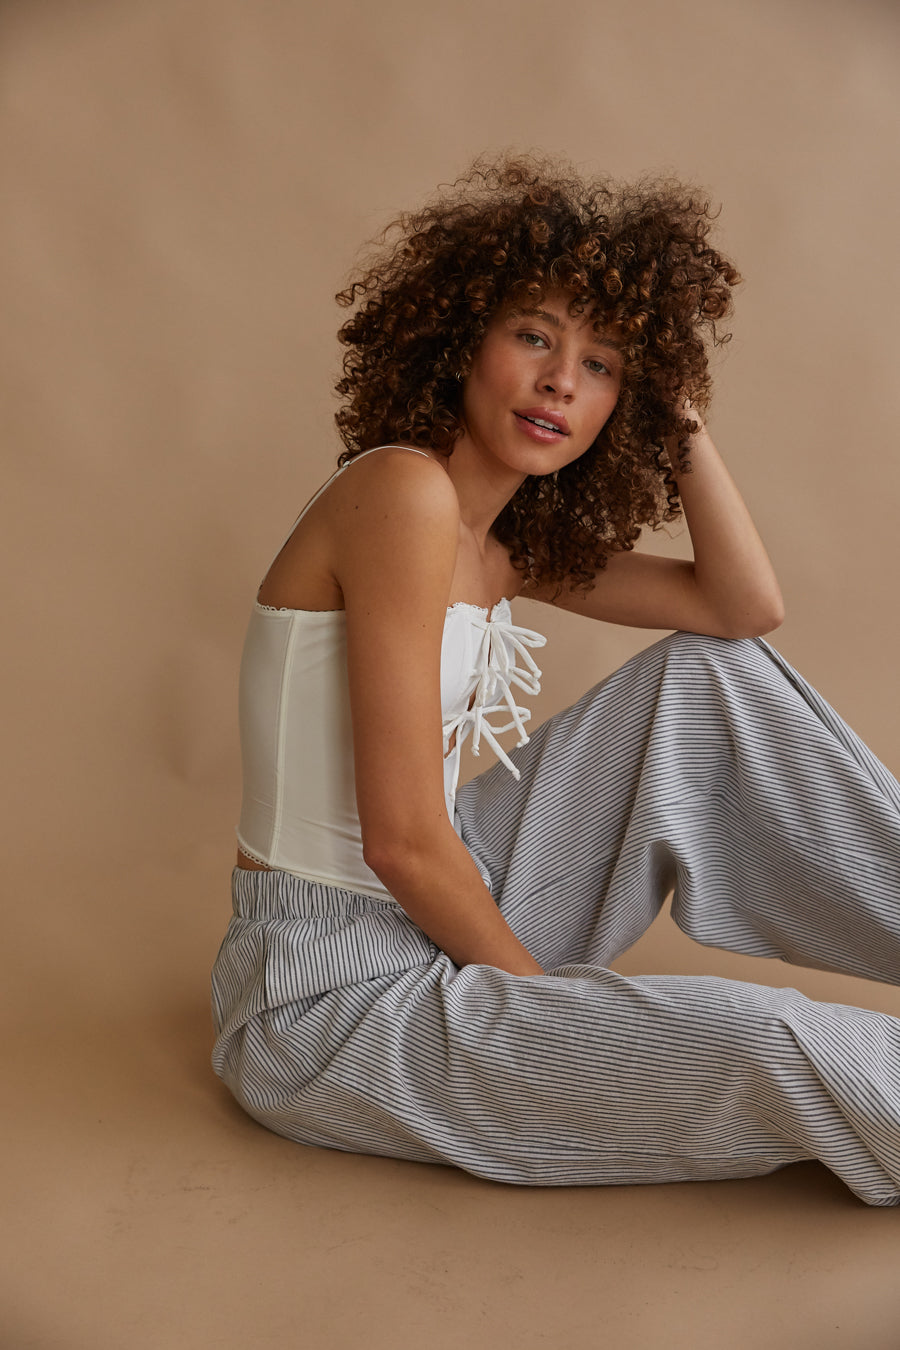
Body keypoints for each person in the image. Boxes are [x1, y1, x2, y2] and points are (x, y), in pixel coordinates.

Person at [210, 154, 900, 1206]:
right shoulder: (399, 492)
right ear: (461, 338)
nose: (562, 383)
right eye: (534, 336)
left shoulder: (501, 549)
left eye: (604, 364)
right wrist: (550, 1010)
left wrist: (677, 417)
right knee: (771, 1038)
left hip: (454, 903)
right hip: (328, 992)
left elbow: (740, 610)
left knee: (708, 677)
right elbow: (399, 842)